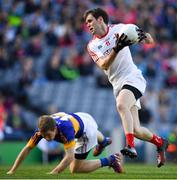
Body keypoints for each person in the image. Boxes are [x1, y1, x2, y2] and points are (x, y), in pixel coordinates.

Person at [83, 8, 169, 167]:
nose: (87, 25)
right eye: (86, 22)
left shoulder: (120, 29)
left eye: (90, 21)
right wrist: (117, 48)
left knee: (121, 105)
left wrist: (143, 36)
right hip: (118, 85)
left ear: (100, 19)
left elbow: (149, 41)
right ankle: (160, 142)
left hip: (133, 78)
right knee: (136, 129)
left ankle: (131, 146)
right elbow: (103, 65)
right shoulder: (92, 45)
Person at [7, 112, 122, 175]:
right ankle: (103, 141)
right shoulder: (41, 130)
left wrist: (55, 172)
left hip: (87, 132)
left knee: (75, 169)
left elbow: (69, 156)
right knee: (84, 128)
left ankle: (111, 160)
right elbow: (27, 148)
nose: (46, 138)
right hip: (81, 116)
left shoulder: (65, 130)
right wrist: (13, 170)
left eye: (48, 135)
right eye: (44, 136)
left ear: (55, 129)